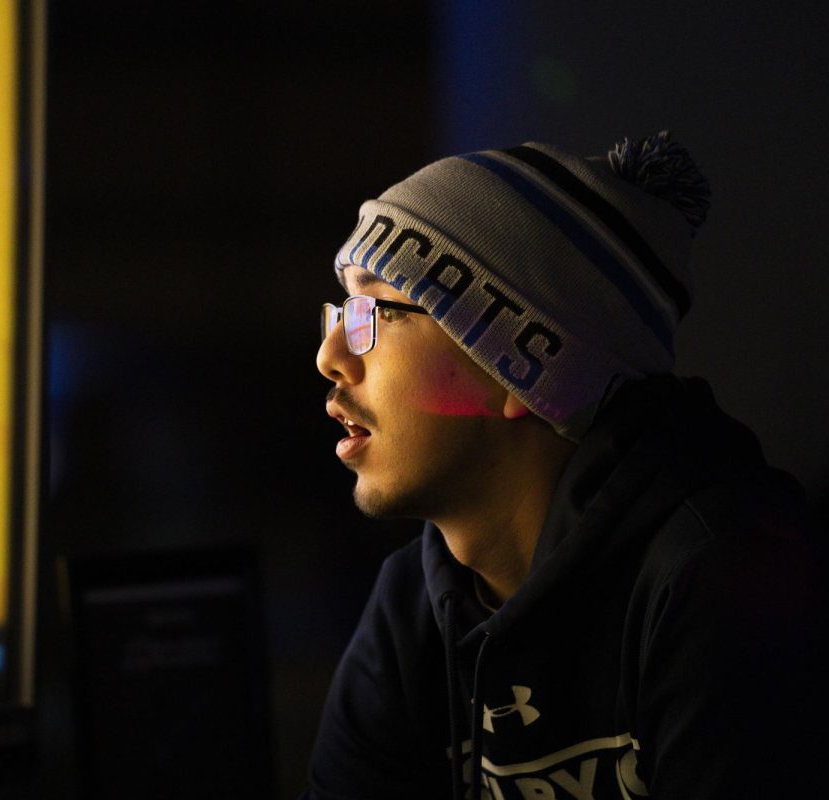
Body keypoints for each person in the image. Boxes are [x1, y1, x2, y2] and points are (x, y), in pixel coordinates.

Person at [305, 132, 827, 799]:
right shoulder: (413, 606)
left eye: (374, 311)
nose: (331, 356)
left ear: (517, 367)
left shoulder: (724, 576)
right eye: (341, 313)